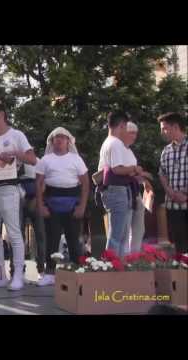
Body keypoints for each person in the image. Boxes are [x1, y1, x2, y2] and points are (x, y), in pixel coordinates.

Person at [0, 102, 37, 291]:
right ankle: (0, 274)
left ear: (2, 114)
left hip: (10, 188)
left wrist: (14, 153)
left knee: (14, 233)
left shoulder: (16, 135)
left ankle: (18, 275)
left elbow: (32, 159)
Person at [35, 127, 89, 286]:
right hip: (51, 206)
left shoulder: (76, 159)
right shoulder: (45, 160)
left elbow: (85, 184)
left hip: (73, 205)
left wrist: (82, 206)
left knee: (74, 241)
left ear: (68, 141)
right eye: (55, 137)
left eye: (62, 137)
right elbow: (38, 184)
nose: (59, 140)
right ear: (51, 141)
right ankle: (50, 273)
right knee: (52, 240)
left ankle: (78, 272)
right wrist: (41, 206)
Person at [98, 111, 144, 257]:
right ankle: (111, 266)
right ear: (121, 125)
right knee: (117, 234)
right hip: (116, 190)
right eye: (125, 128)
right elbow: (117, 169)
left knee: (122, 234)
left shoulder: (109, 142)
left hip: (120, 190)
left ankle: (119, 265)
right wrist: (134, 169)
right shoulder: (115, 143)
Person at [9, 160, 47, 281]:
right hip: (17, 198)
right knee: (17, 236)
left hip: (35, 199)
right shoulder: (12, 161)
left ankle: (41, 269)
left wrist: (36, 199)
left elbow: (43, 183)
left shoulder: (37, 161)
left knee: (40, 235)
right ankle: (16, 270)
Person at [158, 112, 188, 253]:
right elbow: (162, 173)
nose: (162, 132)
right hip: (173, 206)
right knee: (179, 244)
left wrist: (185, 194)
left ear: (176, 127)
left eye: (164, 128)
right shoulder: (166, 151)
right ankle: (182, 272)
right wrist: (169, 190)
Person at [122, 121, 153, 254]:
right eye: (131, 133)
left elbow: (134, 173)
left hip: (135, 192)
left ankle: (134, 256)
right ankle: (126, 256)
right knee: (125, 229)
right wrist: (140, 174)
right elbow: (121, 172)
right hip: (124, 193)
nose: (134, 136)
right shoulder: (118, 148)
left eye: (135, 133)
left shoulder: (129, 151)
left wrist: (144, 180)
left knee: (139, 229)